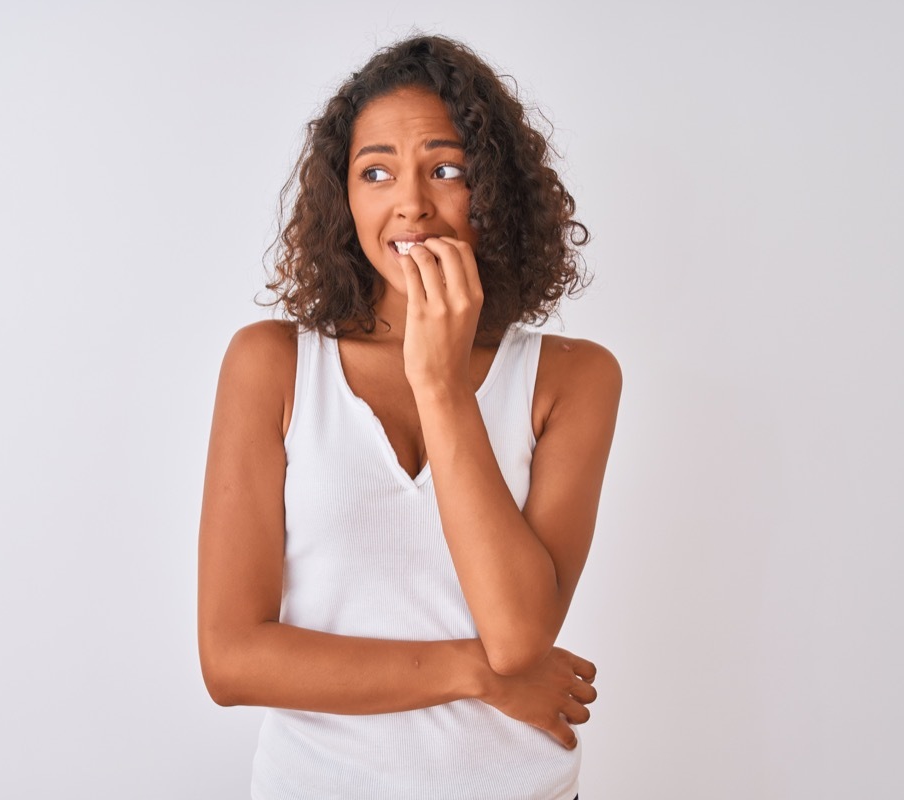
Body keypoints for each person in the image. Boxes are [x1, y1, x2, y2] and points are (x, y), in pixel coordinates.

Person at [197, 34, 621, 800]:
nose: (411, 202)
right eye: (377, 171)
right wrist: (474, 674)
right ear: (345, 197)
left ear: (492, 191)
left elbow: (522, 636)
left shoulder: (572, 379)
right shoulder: (272, 365)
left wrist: (441, 384)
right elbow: (231, 660)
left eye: (446, 168)